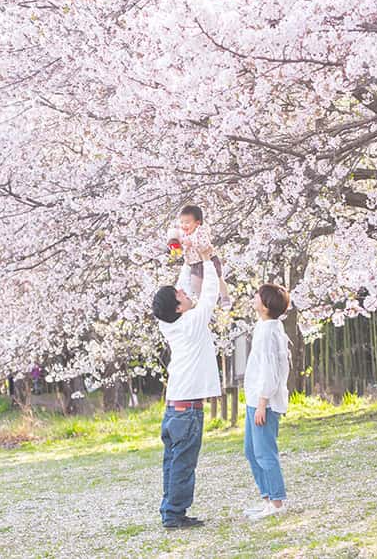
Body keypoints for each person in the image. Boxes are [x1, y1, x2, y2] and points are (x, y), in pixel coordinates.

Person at [151, 242, 223, 529]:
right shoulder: (192, 322)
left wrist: (186, 255)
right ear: (179, 306)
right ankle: (174, 514)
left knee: (172, 463)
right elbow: (210, 293)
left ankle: (170, 510)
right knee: (182, 465)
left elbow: (180, 287)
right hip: (188, 410)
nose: (185, 292)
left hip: (174, 409)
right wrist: (206, 260)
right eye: (182, 295)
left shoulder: (168, 323)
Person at [242, 283, 291, 520]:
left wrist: (262, 403)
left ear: (265, 304)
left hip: (265, 402)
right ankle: (267, 499)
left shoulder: (271, 331)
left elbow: (271, 371)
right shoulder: (264, 326)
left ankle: (277, 501)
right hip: (255, 398)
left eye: (257, 296)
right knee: (251, 451)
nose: (254, 299)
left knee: (264, 452)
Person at [172, 205, 232, 308]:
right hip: (195, 264)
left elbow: (204, 245)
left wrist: (191, 242)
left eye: (187, 222)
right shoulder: (184, 235)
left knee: (218, 278)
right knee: (195, 284)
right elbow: (184, 249)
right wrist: (177, 247)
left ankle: (225, 297)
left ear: (197, 223)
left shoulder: (201, 230)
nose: (184, 225)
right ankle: (204, 301)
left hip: (209, 259)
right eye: (181, 222)